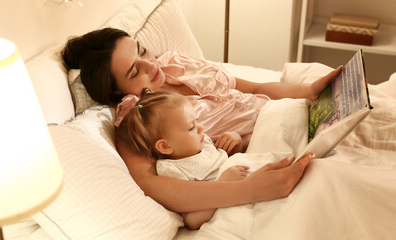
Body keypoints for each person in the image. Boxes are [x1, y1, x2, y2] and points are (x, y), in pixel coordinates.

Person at [62, 27, 341, 216]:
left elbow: (254, 89)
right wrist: (247, 190)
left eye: (142, 50)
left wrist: (308, 91)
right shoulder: (137, 115)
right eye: (136, 72)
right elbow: (149, 184)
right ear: (118, 92)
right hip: (265, 140)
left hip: (286, 111)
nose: (152, 65)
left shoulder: (175, 62)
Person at [118, 91, 251, 229]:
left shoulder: (201, 142)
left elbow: (227, 162)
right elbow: (193, 220)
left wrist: (236, 141)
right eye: (191, 127)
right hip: (234, 200)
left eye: (197, 121)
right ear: (165, 146)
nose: (201, 128)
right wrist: (224, 184)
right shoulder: (173, 170)